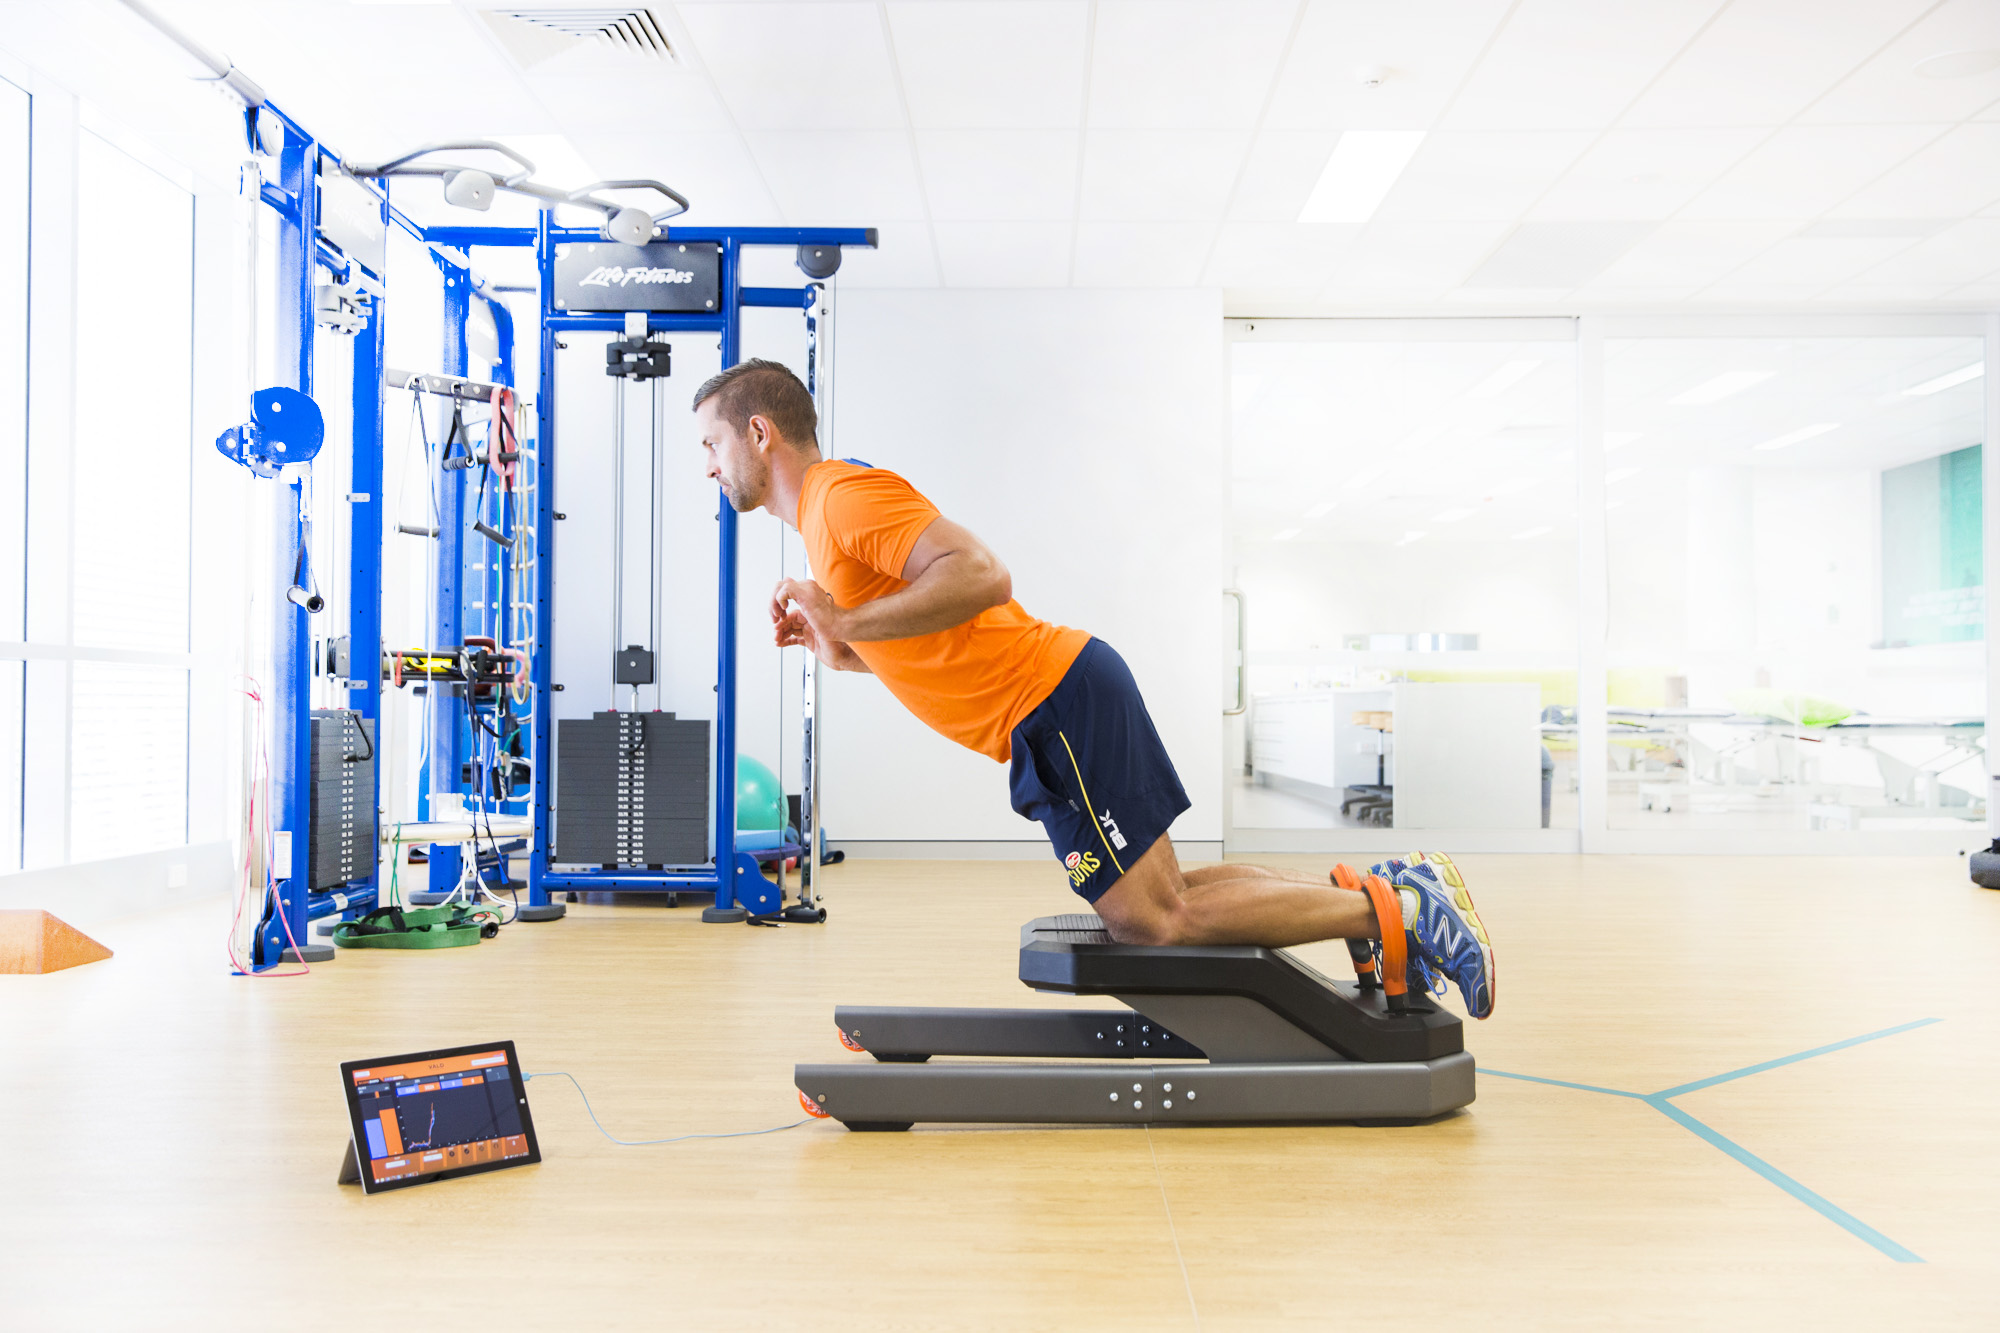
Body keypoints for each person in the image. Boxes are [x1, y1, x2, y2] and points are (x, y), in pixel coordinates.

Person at [692, 359, 1494, 1018]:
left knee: (1153, 919)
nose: (708, 465)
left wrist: (844, 616)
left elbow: (981, 573)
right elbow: (918, 644)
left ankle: (1407, 911)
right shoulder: (826, 523)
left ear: (759, 433)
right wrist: (837, 641)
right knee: (1167, 895)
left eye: (712, 443)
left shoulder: (838, 498)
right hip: (1054, 705)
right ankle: (1383, 891)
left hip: (1054, 701)